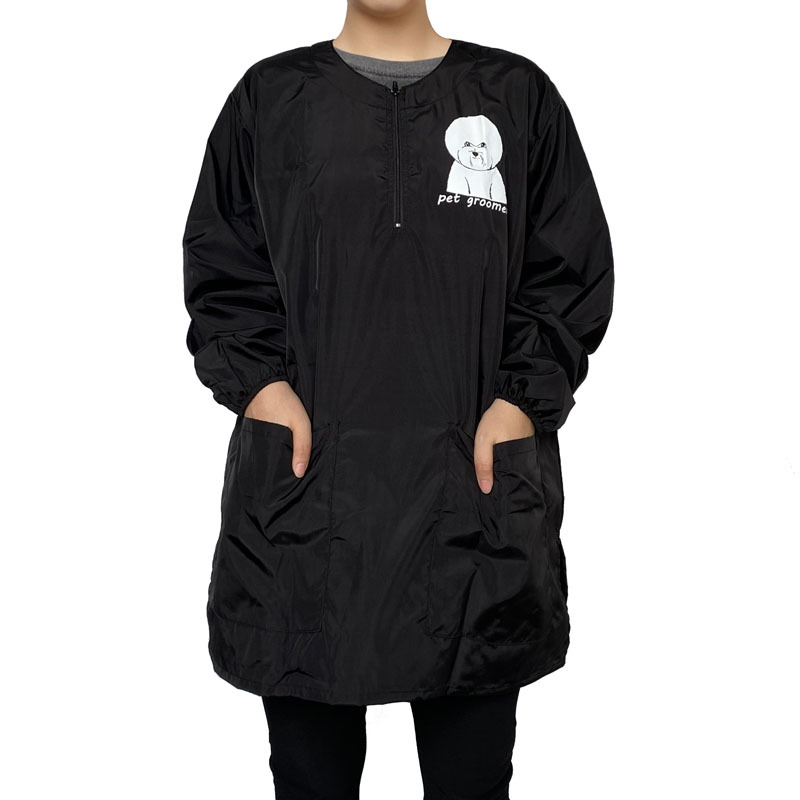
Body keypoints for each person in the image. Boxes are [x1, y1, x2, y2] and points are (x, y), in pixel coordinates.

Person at [182, 0, 614, 796]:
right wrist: (264, 390)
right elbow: (224, 271)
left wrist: (518, 403)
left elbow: (566, 277)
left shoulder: (515, 96)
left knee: (470, 782)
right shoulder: (269, 98)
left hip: (471, 507)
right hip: (310, 508)